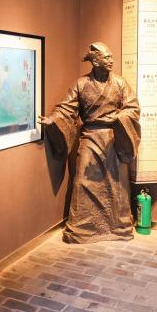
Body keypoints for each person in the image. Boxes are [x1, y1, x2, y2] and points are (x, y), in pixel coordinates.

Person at [38, 42, 141, 244]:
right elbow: (66, 108)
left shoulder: (120, 83)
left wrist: (119, 118)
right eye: (106, 57)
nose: (111, 60)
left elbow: (133, 108)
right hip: (90, 138)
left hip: (113, 139)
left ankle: (118, 227)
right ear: (95, 61)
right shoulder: (81, 84)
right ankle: (82, 227)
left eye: (111, 57)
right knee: (82, 182)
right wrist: (53, 119)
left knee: (116, 184)